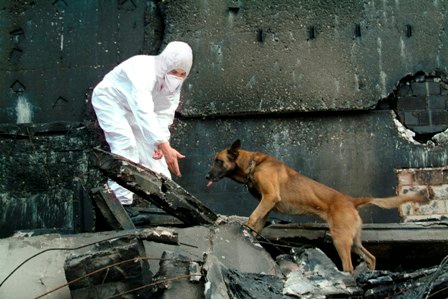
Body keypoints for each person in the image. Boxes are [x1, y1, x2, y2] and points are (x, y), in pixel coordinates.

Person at [91, 41, 193, 206]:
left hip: (136, 111)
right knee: (125, 145)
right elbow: (143, 108)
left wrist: (161, 144)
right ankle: (120, 205)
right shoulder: (144, 69)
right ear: (166, 65)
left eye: (182, 74)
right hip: (111, 101)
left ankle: (167, 207)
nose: (177, 77)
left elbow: (164, 114)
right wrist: (163, 145)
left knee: (156, 160)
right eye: (174, 71)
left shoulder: (173, 87)